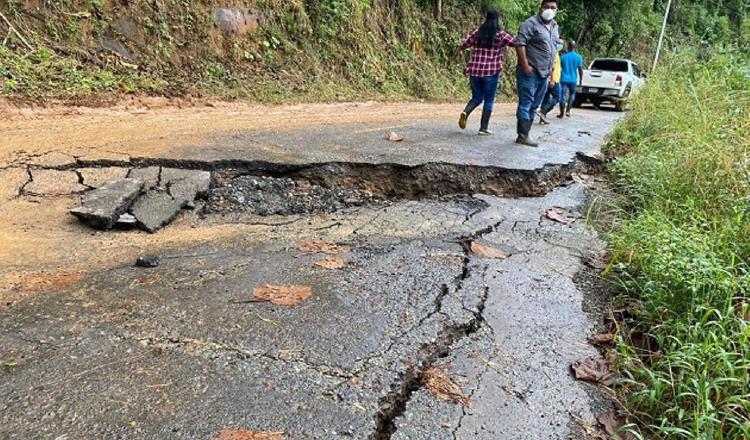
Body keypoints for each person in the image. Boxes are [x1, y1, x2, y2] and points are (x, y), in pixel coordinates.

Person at [454, 9, 516, 135]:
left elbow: (464, 44)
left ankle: (466, 112)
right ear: (498, 20)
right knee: (488, 100)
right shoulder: (501, 35)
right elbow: (515, 43)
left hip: (474, 71)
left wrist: (455, 54)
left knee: (477, 97)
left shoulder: (478, 33)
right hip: (491, 72)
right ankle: (483, 128)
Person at [514, 0, 559, 147]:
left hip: (544, 74)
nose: (550, 10)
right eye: (547, 7)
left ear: (557, 10)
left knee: (534, 105)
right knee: (526, 103)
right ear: (541, 8)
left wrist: (551, 67)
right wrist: (525, 65)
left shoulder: (554, 26)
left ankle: (525, 134)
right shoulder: (530, 23)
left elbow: (553, 48)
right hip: (530, 71)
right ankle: (523, 135)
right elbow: (520, 43)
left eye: (553, 8)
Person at [537, 39, 564, 124]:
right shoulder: (554, 53)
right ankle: (543, 111)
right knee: (557, 97)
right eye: (560, 43)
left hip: (546, 78)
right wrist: (552, 79)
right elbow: (552, 66)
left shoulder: (549, 51)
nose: (561, 45)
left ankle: (543, 117)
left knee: (546, 97)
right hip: (553, 79)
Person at [558, 40, 584, 118]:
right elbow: (580, 69)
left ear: (568, 47)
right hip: (573, 80)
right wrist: (581, 80)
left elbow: (559, 68)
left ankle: (562, 113)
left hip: (564, 79)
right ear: (574, 47)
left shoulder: (562, 57)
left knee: (562, 96)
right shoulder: (578, 57)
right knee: (572, 95)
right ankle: (568, 111)